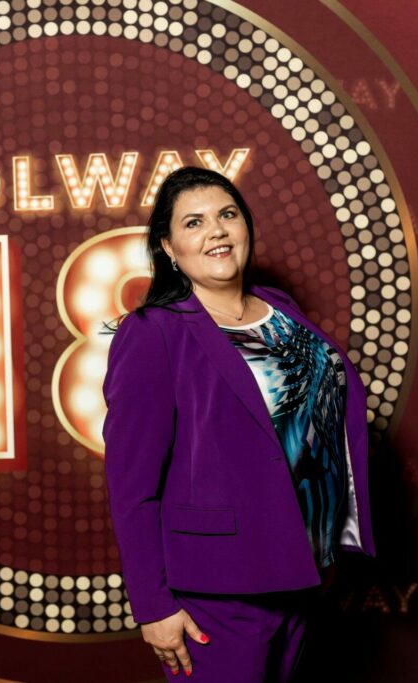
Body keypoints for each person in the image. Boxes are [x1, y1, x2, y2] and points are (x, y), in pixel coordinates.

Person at [100, 166, 376, 682]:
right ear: (168, 247)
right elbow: (131, 483)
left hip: (302, 570)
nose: (217, 231)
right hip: (217, 588)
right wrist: (152, 605)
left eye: (227, 215)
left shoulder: (281, 309)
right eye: (194, 222)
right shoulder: (153, 332)